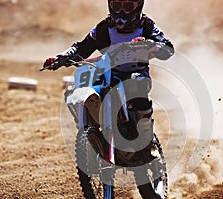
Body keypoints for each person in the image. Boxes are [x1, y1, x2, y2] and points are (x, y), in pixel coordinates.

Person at [43, 0, 174, 162]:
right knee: (81, 89)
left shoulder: (146, 25)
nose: (121, 12)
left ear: (138, 6)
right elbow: (81, 47)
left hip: (137, 75)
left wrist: (151, 45)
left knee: (136, 83)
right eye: (117, 6)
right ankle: (92, 134)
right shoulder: (104, 28)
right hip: (109, 76)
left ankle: (147, 147)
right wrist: (60, 58)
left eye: (127, 7)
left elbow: (168, 49)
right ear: (110, 5)